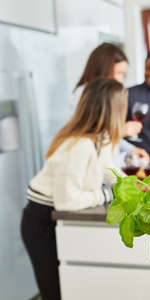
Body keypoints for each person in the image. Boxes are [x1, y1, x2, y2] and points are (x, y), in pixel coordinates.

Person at [21, 79, 128, 300]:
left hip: (49, 216)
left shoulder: (101, 138)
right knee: (56, 293)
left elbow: (108, 167)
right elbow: (67, 202)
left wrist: (133, 186)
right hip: (41, 221)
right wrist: (108, 193)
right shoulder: (79, 145)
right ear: (113, 111)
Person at [71, 42, 149, 164]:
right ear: (104, 69)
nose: (120, 80)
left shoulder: (106, 95)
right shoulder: (84, 94)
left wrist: (131, 149)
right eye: (119, 73)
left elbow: (108, 137)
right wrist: (121, 130)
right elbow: (90, 137)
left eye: (123, 74)